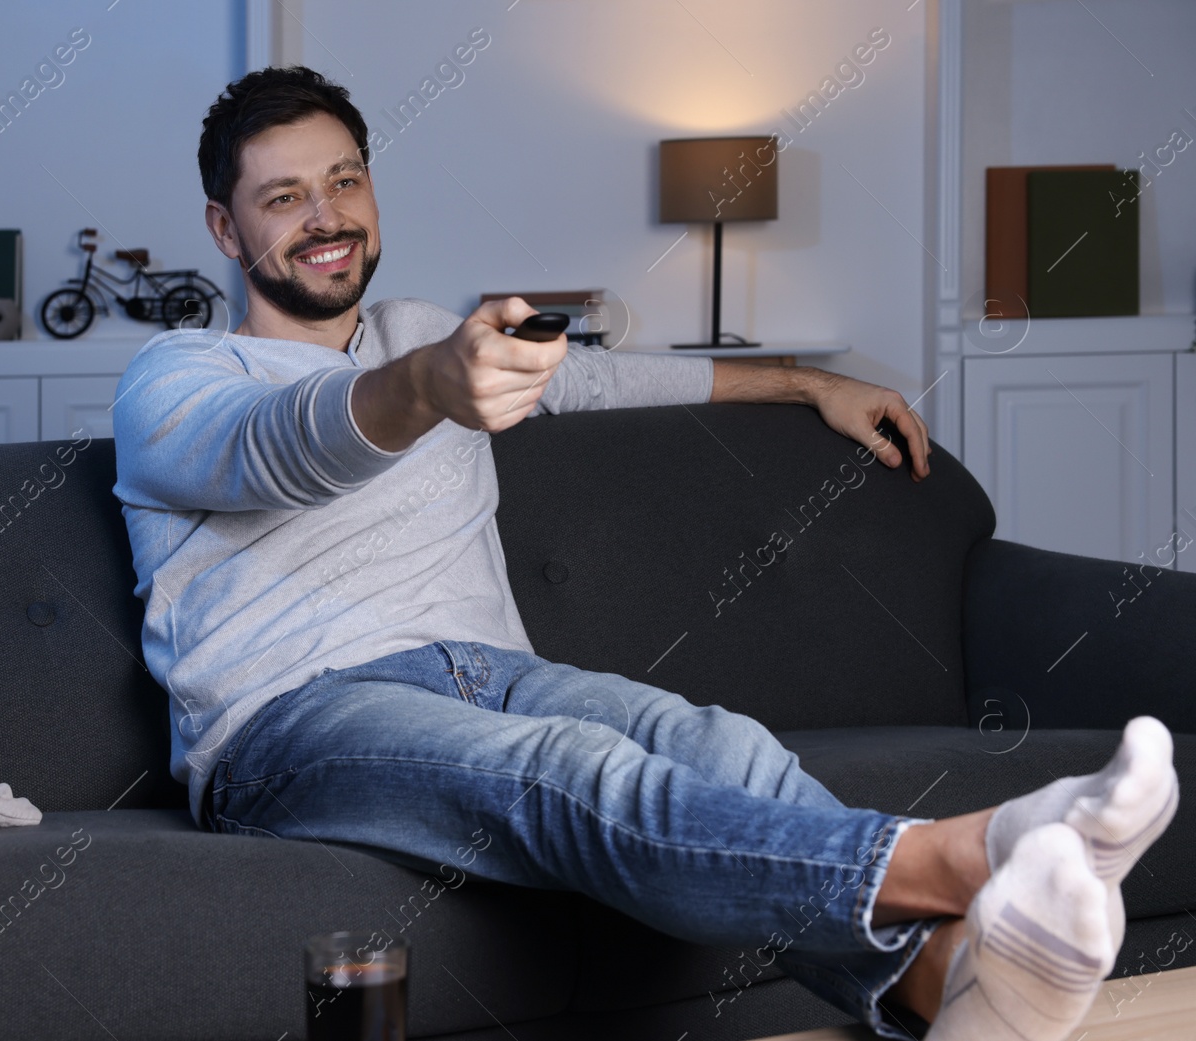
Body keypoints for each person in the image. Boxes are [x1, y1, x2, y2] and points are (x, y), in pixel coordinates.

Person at [110, 65, 1178, 1040]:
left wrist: (809, 381)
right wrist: (427, 390)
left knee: (709, 741)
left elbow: (606, 380)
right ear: (224, 225)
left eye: (343, 180)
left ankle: (942, 986)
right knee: (568, 773)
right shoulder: (177, 379)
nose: (325, 216)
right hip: (291, 723)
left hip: (495, 677)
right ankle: (962, 857)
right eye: (283, 196)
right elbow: (283, 448)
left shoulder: (421, 327)